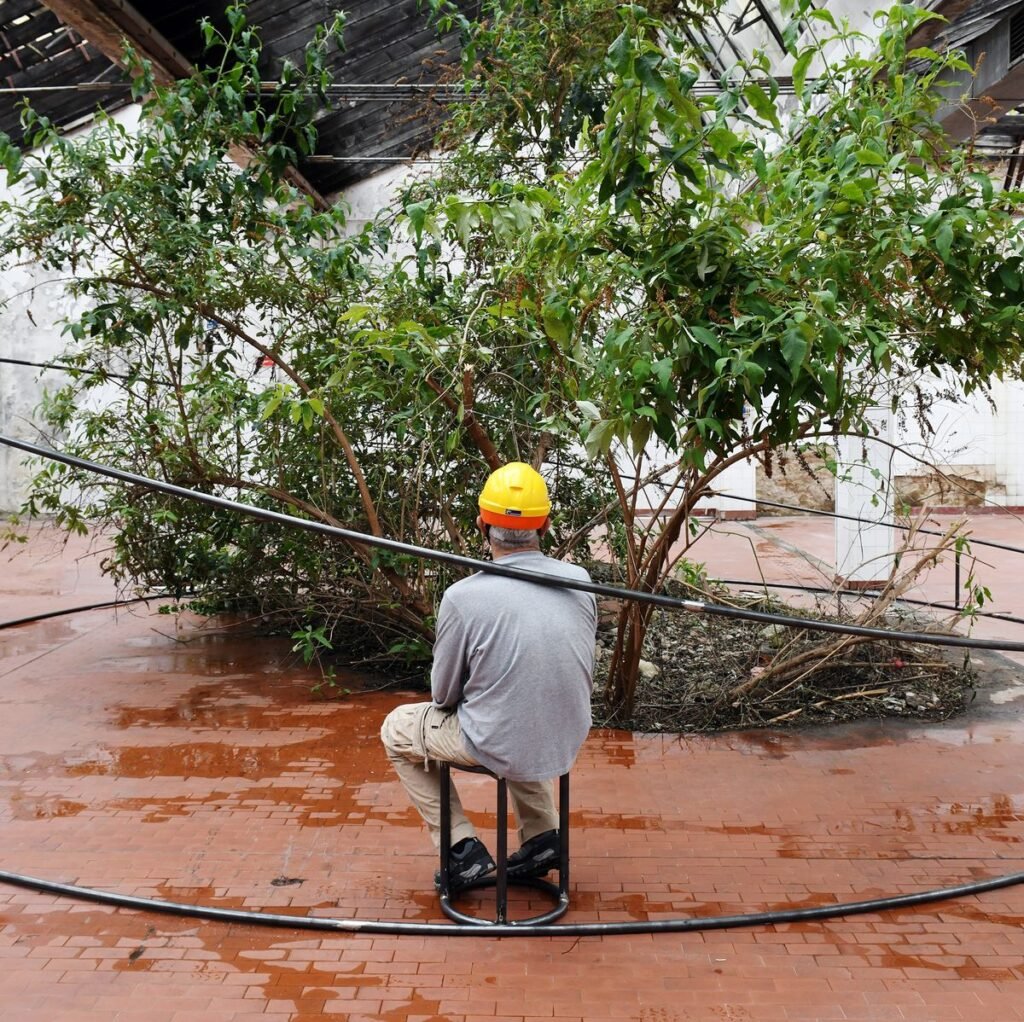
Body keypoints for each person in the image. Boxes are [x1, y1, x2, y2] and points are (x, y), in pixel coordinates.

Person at [380, 461, 597, 891]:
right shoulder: (581, 580)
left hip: (503, 737)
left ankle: (460, 849)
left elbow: (442, 695)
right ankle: (542, 836)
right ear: (546, 525)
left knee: (396, 730)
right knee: (517, 709)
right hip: (566, 733)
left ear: (481, 524)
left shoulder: (464, 597)